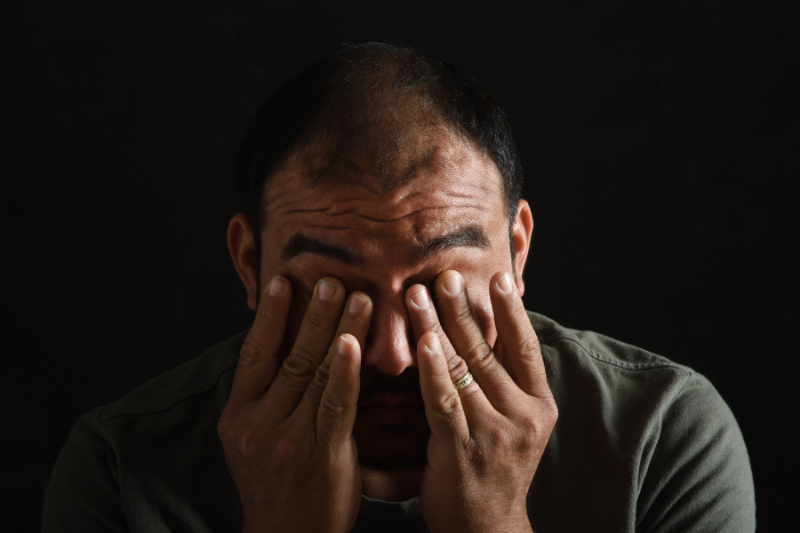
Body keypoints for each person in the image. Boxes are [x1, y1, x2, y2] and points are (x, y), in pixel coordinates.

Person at [42, 42, 755, 533]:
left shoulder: (662, 437)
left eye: (441, 285)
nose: (391, 354)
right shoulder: (120, 470)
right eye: (332, 289)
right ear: (249, 263)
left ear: (516, 250)